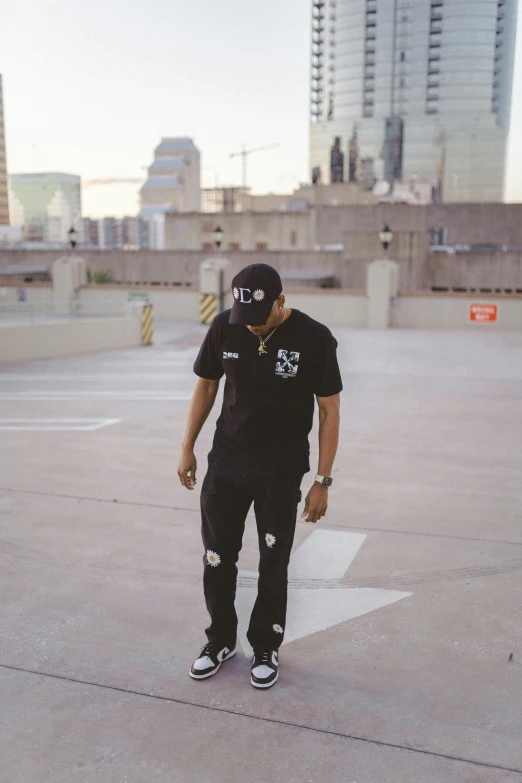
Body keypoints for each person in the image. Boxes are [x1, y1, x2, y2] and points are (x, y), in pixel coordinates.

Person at [177, 263, 342, 689]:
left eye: (258, 317)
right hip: (226, 463)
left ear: (280, 302)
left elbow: (328, 410)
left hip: (281, 471)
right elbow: (207, 387)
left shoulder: (314, 338)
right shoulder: (225, 328)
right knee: (217, 557)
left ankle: (266, 645)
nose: (249, 326)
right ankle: (219, 641)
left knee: (273, 561)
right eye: (242, 316)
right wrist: (186, 447)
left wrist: (322, 481)